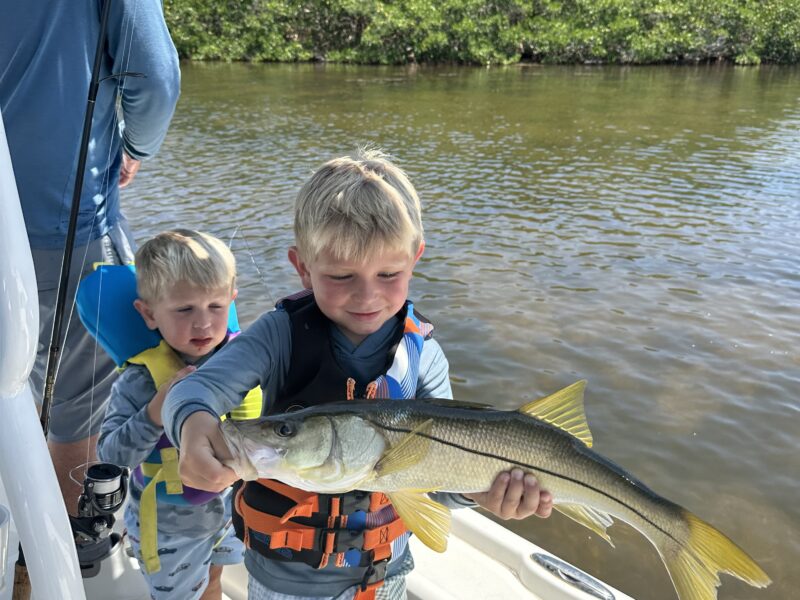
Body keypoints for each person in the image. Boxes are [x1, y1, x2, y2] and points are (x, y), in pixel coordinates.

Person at [162, 149, 554, 600]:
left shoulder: (423, 354)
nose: (366, 295)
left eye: (389, 273)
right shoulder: (280, 335)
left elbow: (438, 488)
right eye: (341, 275)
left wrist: (481, 494)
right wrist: (192, 430)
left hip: (386, 576)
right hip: (285, 583)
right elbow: (196, 389)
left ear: (415, 258)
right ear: (303, 268)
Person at [0, 0, 181, 516]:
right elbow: (155, 79)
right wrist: (136, 148)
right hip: (63, 230)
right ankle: (61, 558)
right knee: (74, 414)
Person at [96, 230, 249, 599]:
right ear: (149, 313)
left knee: (214, 580)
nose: (203, 323)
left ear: (231, 299)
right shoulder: (140, 381)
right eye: (185, 309)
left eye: (215, 307)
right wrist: (154, 413)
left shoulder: (244, 364)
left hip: (229, 511)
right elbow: (110, 456)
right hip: (168, 528)